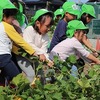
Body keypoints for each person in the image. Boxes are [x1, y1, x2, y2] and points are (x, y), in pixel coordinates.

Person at [0, 0, 36, 85]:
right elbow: (20, 41)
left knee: (4, 76)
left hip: (4, 56)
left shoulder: (1, 25)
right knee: (18, 78)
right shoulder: (7, 26)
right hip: (4, 57)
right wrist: (32, 51)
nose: (13, 19)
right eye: (12, 17)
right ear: (4, 16)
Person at [16, 9, 54, 83]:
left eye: (50, 26)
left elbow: (44, 50)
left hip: (34, 58)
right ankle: (29, 92)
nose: (49, 29)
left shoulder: (45, 36)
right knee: (31, 75)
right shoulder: (29, 30)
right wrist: (40, 53)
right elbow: (28, 44)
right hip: (23, 57)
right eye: (47, 26)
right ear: (37, 23)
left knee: (41, 75)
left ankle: (41, 92)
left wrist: (48, 60)